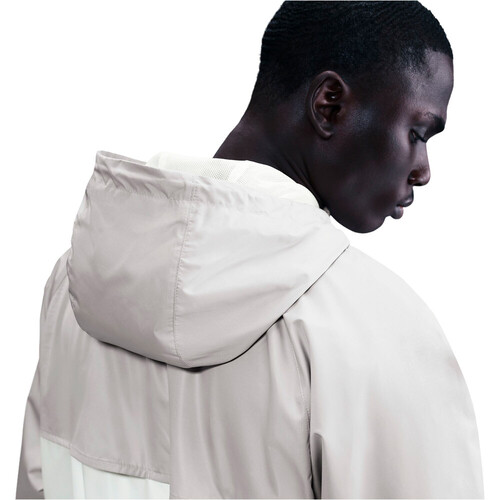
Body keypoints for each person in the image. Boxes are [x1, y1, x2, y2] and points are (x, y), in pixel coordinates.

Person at [16, 1, 484, 498]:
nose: (423, 170)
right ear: (329, 105)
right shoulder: (378, 329)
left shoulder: (77, 286)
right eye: (418, 133)